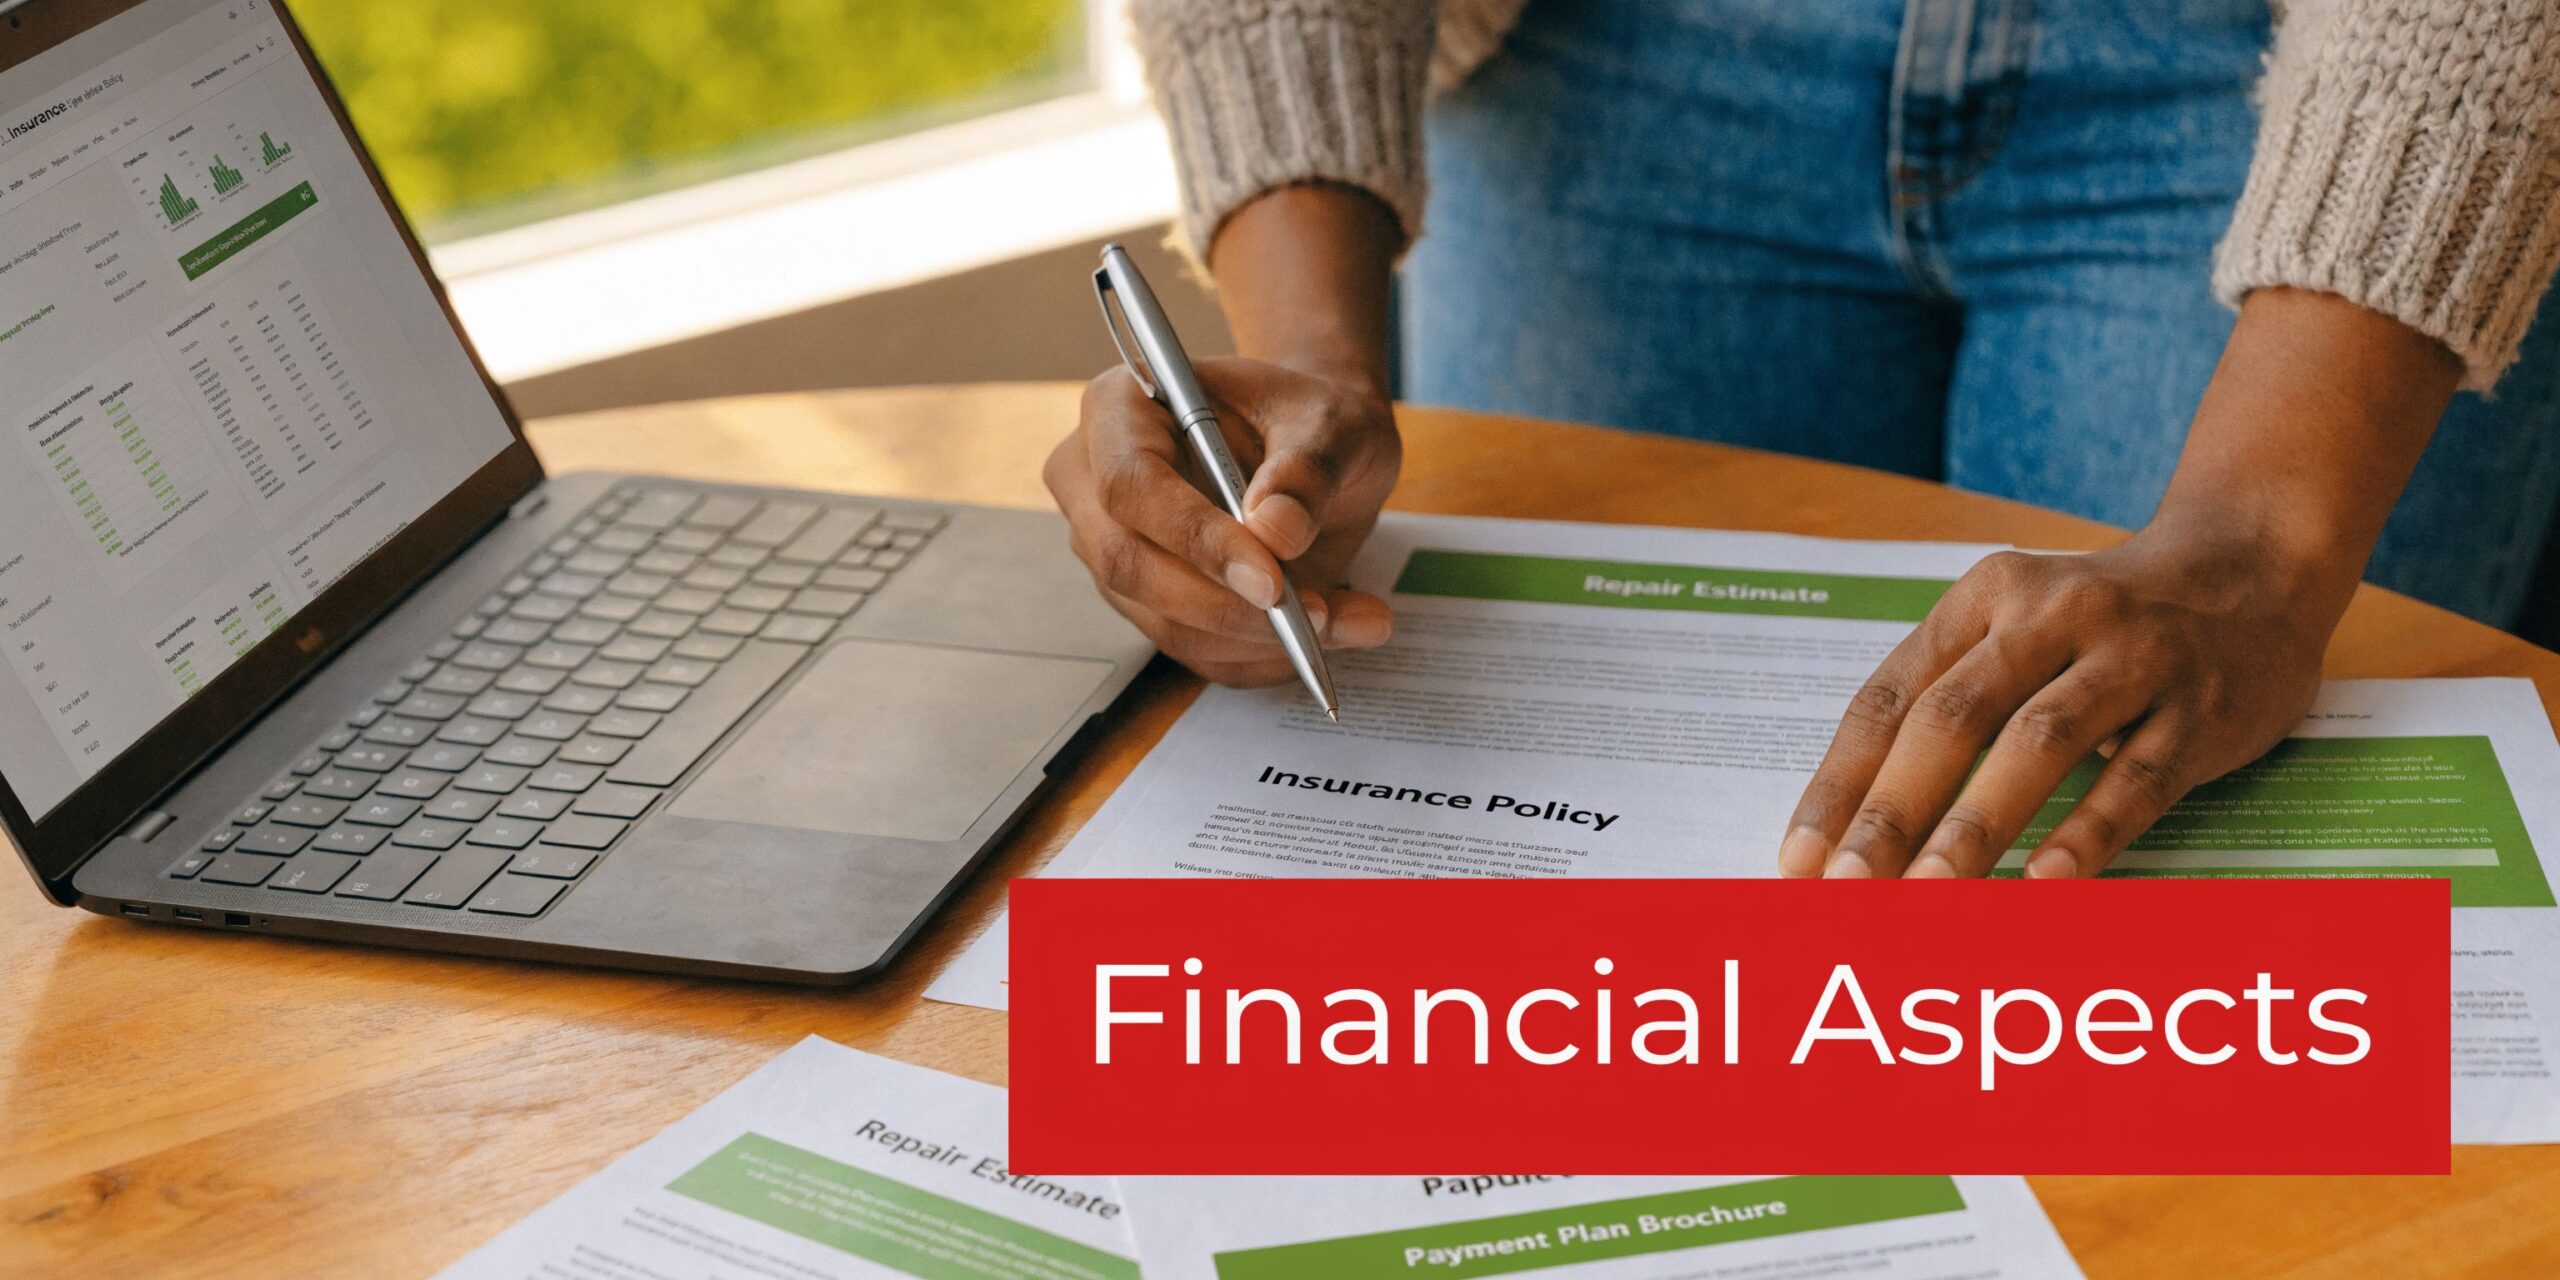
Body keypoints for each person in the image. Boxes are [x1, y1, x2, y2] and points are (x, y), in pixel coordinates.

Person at [1045, 0, 2560, 880]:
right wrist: (1300, 369)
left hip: (2293, 67)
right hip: (1622, 59)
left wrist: (2259, 547)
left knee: (2151, 853)